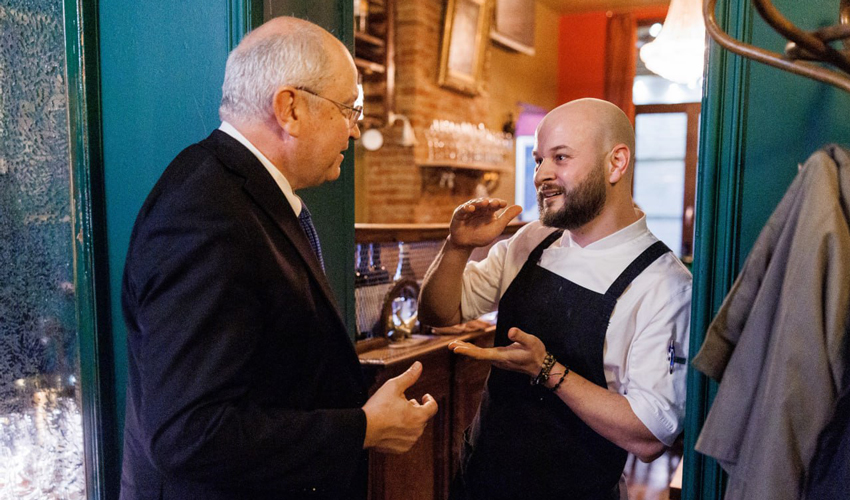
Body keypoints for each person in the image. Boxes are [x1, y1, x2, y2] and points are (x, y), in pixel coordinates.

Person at [120, 17, 437, 500]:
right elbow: (189, 434)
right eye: (348, 109)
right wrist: (362, 429)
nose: (354, 132)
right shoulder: (205, 210)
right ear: (289, 108)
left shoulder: (240, 192)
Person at [419, 98, 692, 500]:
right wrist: (456, 248)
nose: (542, 175)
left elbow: (651, 434)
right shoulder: (531, 240)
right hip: (481, 479)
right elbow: (440, 312)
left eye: (560, 158)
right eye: (538, 160)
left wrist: (547, 369)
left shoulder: (662, 283)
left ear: (616, 163)